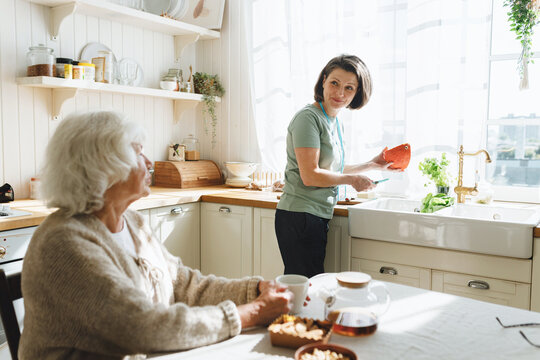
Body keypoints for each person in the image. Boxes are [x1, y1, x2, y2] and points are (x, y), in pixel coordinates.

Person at [19, 111, 293, 360]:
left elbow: (184, 285)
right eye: (138, 153)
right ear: (104, 166)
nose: (149, 162)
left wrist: (254, 290)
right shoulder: (64, 243)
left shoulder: (133, 222)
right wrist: (252, 312)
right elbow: (141, 327)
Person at [275, 54, 396, 278]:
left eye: (349, 88)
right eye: (334, 83)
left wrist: (372, 164)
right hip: (299, 215)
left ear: (357, 93)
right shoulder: (307, 119)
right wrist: (352, 181)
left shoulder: (333, 120)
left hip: (315, 215)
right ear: (323, 81)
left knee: (308, 284)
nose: (340, 93)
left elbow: (331, 169)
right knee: (306, 285)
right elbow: (310, 176)